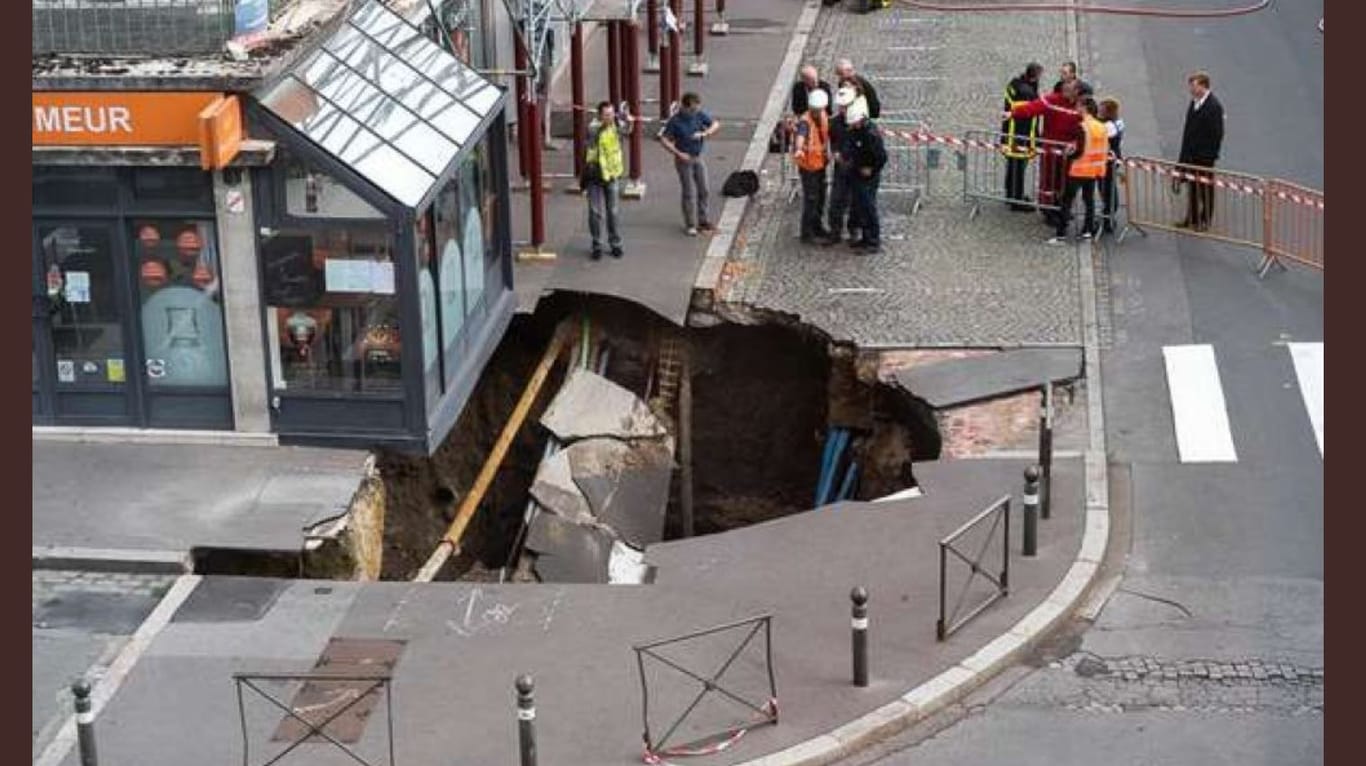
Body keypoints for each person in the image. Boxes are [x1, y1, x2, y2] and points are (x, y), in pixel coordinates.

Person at [1009, 80, 1083, 226]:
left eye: (1073, 91)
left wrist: (1076, 143)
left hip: (1068, 153)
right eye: (1067, 90)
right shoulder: (1052, 100)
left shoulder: (1080, 105)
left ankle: (1063, 208)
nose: (1070, 94)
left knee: (1065, 182)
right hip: (1050, 151)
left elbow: (1085, 126)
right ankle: (1048, 210)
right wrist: (1013, 113)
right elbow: (1032, 108)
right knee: (1048, 182)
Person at [660, 92, 722, 236]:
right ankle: (690, 224)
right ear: (685, 107)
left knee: (704, 189)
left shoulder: (699, 114)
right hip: (684, 160)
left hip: (698, 156)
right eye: (693, 109)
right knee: (688, 192)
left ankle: (703, 220)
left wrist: (704, 134)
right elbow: (664, 139)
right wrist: (678, 153)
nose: (695, 112)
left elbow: (715, 124)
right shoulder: (675, 121)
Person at [1048, 97, 1109, 244]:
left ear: (1085, 108)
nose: (1076, 108)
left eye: (1079, 106)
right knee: (1089, 201)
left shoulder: (1082, 126)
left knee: (1067, 201)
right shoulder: (1101, 127)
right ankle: (1087, 232)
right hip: (1094, 170)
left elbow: (1080, 151)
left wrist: (1068, 154)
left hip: (1079, 169)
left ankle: (1061, 234)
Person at [584, 101, 632, 260]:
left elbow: (628, 131)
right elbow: (596, 135)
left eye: (611, 114)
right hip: (595, 175)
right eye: (606, 115)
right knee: (594, 212)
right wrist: (615, 123)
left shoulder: (616, 125)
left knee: (613, 211)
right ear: (599, 115)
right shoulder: (593, 128)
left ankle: (615, 243)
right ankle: (596, 244)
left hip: (611, 174)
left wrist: (628, 121)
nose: (610, 117)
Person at [1176, 71, 1224, 231]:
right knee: (1193, 188)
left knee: (1205, 189)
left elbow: (1217, 135)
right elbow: (1188, 130)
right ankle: (1192, 218)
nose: (1191, 89)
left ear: (1203, 86)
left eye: (1193, 86)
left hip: (1204, 158)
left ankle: (1205, 220)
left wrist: (1207, 156)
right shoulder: (1195, 102)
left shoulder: (1214, 107)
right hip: (1191, 155)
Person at [844, 99, 887, 253]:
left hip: (868, 177)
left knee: (869, 208)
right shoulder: (857, 131)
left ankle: (872, 241)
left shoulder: (871, 135)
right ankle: (865, 238)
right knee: (861, 207)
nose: (852, 126)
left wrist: (872, 169)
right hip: (857, 173)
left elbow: (882, 157)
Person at [1002, 62, 1043, 211]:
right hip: (1020, 135)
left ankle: (1011, 196)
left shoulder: (1015, 84)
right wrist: (1036, 140)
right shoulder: (1027, 93)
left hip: (1011, 132)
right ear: (1035, 76)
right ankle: (1016, 201)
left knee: (1013, 167)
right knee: (1018, 169)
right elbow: (1030, 113)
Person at [823, 86, 861, 246]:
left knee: (856, 202)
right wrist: (835, 152)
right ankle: (835, 231)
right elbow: (831, 141)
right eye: (841, 107)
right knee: (836, 200)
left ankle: (854, 230)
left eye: (846, 107)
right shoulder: (835, 123)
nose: (843, 110)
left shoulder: (859, 122)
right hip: (841, 168)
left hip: (855, 167)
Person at [794, 88, 832, 244]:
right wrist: (798, 150)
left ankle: (817, 226)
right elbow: (801, 137)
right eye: (814, 110)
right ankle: (807, 232)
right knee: (811, 199)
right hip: (808, 167)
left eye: (818, 110)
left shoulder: (823, 116)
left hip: (820, 164)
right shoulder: (805, 120)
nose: (817, 112)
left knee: (821, 197)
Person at [1098, 97, 1125, 234]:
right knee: (1108, 187)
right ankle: (1108, 215)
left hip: (1108, 161)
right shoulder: (1117, 122)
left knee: (1106, 189)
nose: (1098, 110)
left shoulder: (1108, 126)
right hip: (1112, 159)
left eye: (1101, 109)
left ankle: (1108, 217)